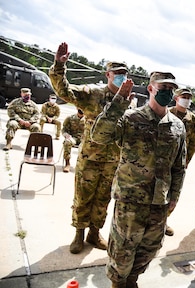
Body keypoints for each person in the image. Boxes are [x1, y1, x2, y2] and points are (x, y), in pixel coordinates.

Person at [91, 72, 186, 288]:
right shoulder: (131, 118)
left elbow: (179, 167)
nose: (167, 93)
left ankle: (132, 280)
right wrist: (117, 104)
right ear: (151, 89)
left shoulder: (177, 126)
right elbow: (98, 136)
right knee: (122, 249)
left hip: (159, 202)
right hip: (130, 200)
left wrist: (174, 197)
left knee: (150, 248)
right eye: (163, 88)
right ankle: (118, 283)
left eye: (171, 89)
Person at [49, 42, 128, 254]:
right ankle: (79, 234)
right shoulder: (92, 94)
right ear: (107, 75)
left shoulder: (127, 100)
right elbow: (64, 90)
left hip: (113, 161)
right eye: (117, 73)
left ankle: (95, 233)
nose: (120, 77)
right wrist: (59, 65)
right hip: (90, 158)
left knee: (103, 198)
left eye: (124, 74)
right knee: (83, 197)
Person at [165, 88, 195, 236]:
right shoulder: (167, 113)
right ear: (176, 98)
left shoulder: (192, 119)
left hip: (180, 164)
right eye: (183, 96)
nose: (186, 99)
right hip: (165, 161)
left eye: (188, 97)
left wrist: (187, 161)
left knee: (174, 194)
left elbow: (192, 143)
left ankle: (164, 221)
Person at [61, 108, 85, 173]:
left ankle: (83, 166)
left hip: (84, 139)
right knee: (67, 142)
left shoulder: (88, 120)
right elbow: (64, 129)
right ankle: (67, 163)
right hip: (73, 138)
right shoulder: (70, 118)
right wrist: (66, 135)